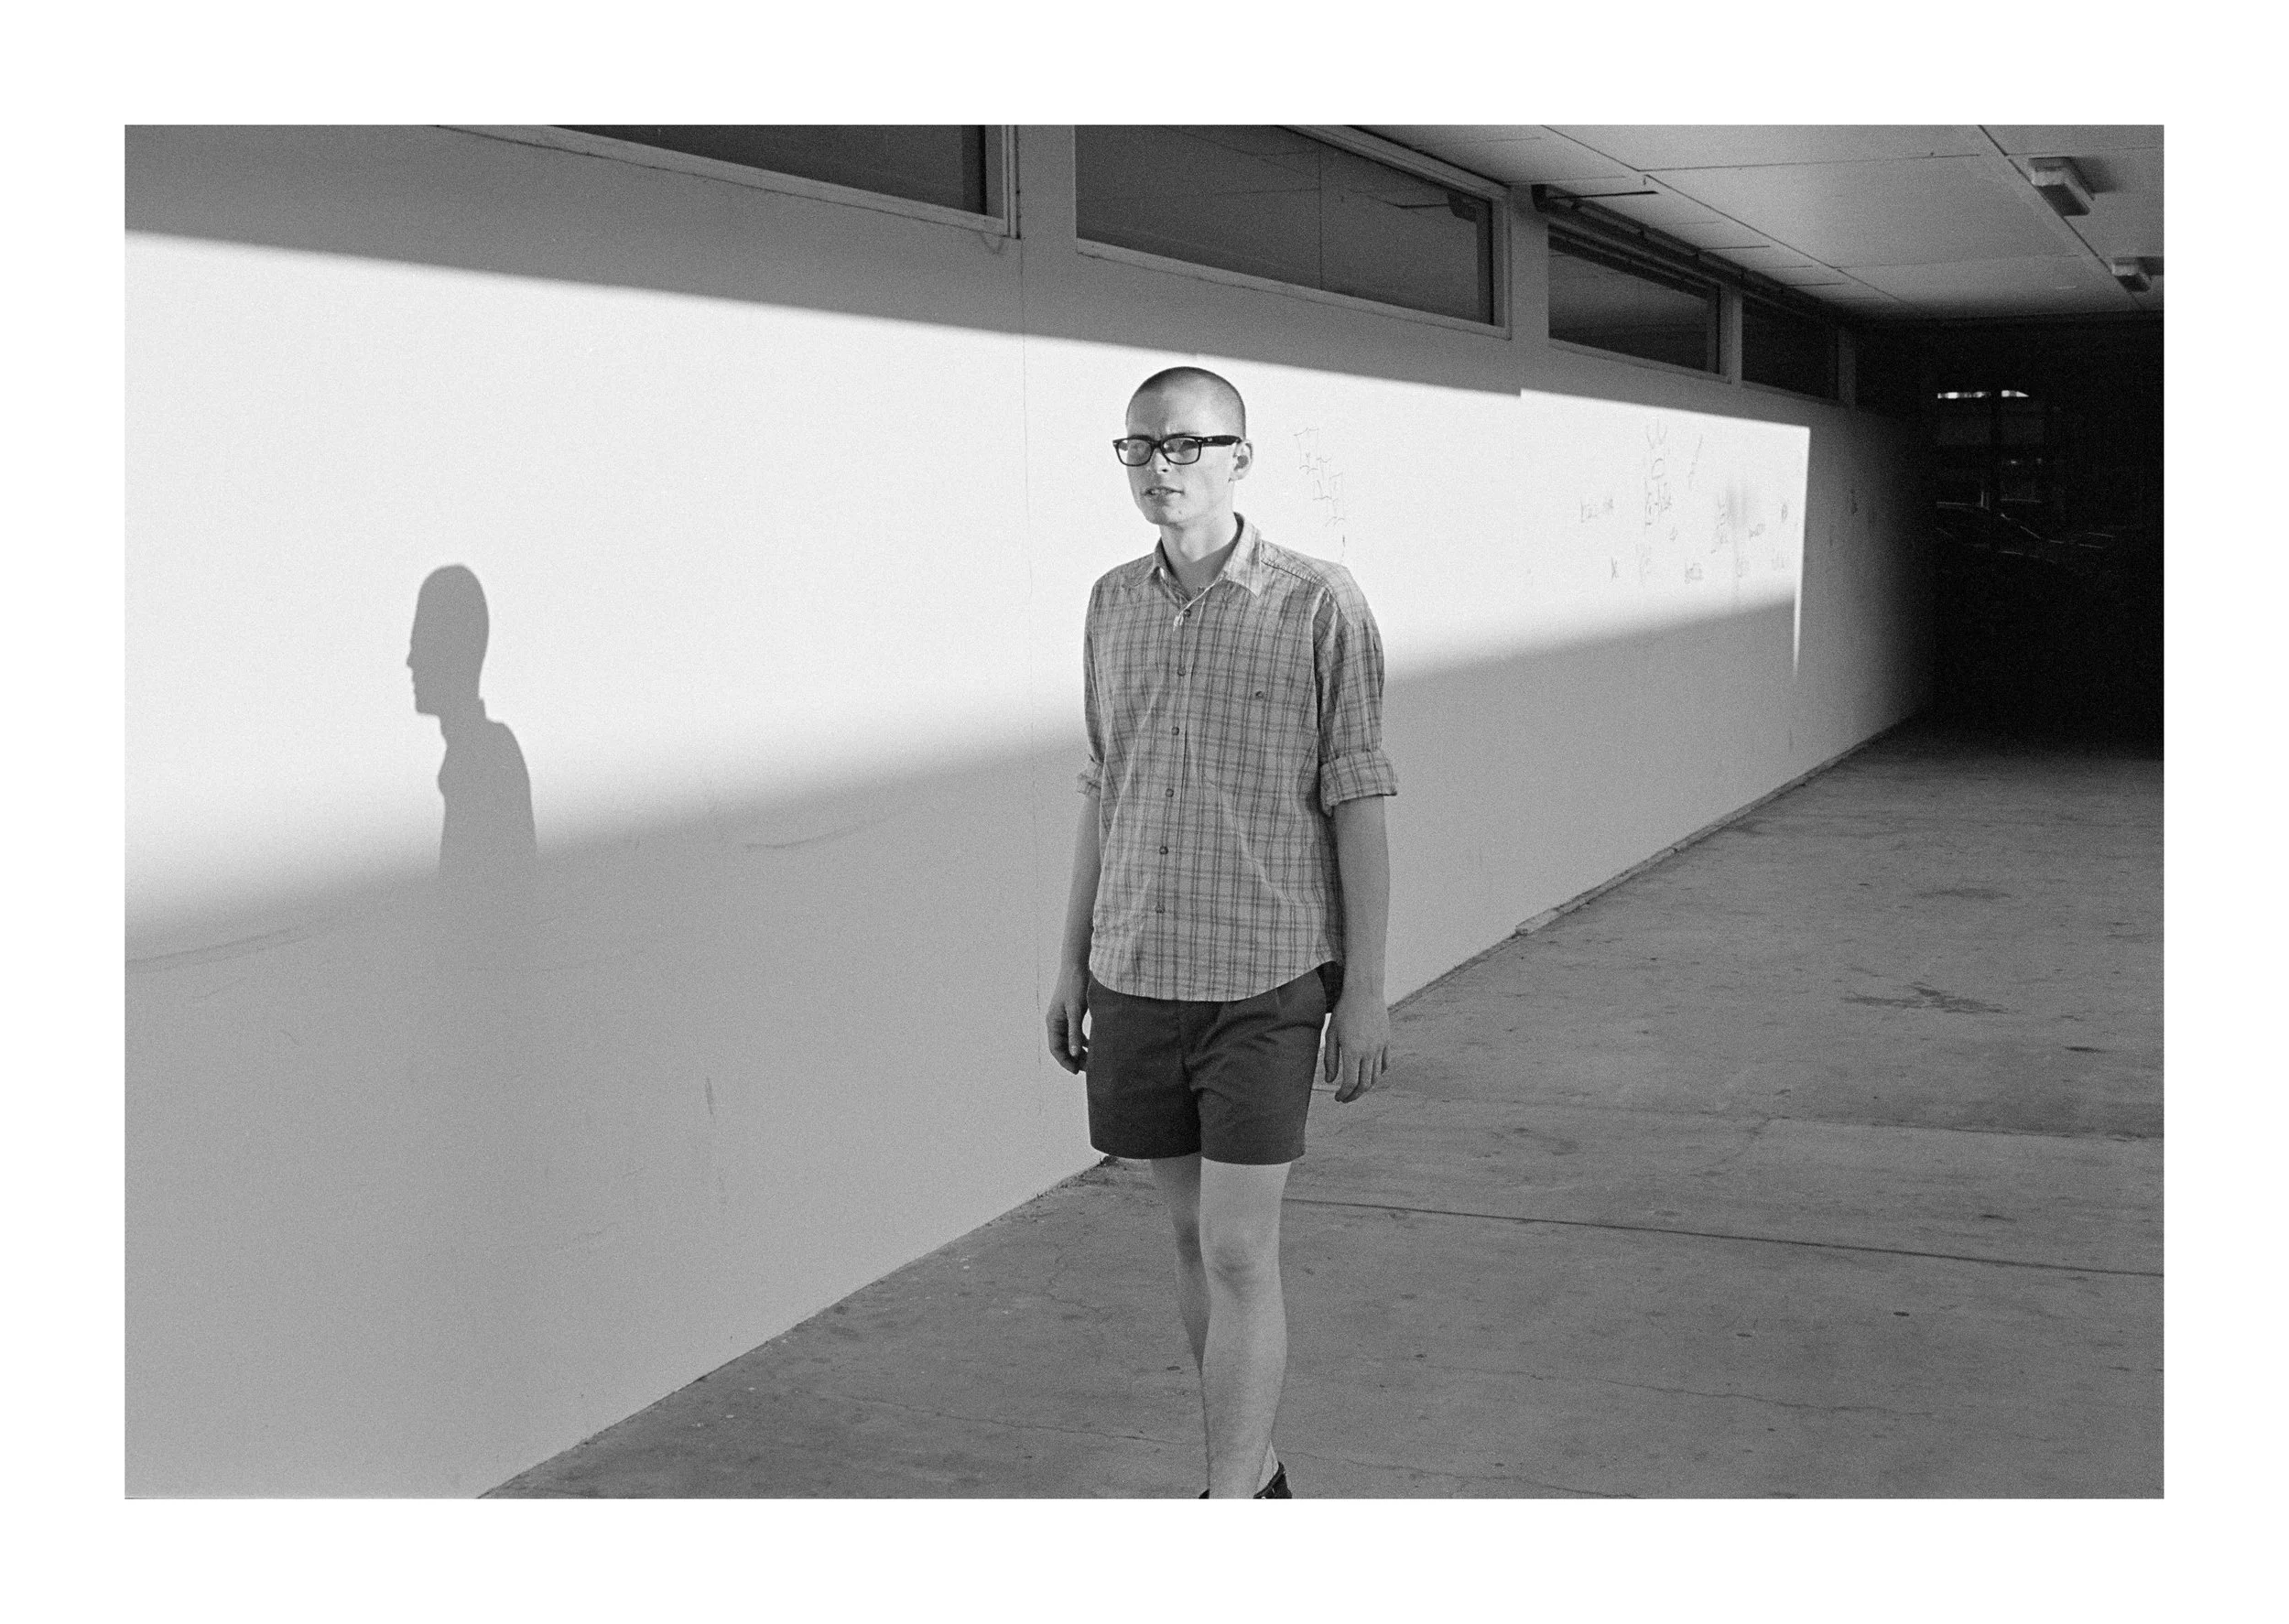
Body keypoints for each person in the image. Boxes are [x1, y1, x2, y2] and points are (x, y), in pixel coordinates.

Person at [1046, 366, 1398, 1499]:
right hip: (1139, 971)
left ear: (1240, 457)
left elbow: (1357, 796)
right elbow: (1107, 787)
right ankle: (1258, 1473)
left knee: (1244, 1248)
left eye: (1186, 445)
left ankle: (1229, 1504)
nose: (1160, 467)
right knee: (1193, 1245)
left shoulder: (1316, 601)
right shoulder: (1110, 602)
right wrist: (1069, 961)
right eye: (1140, 447)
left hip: (1266, 976)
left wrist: (1371, 986)